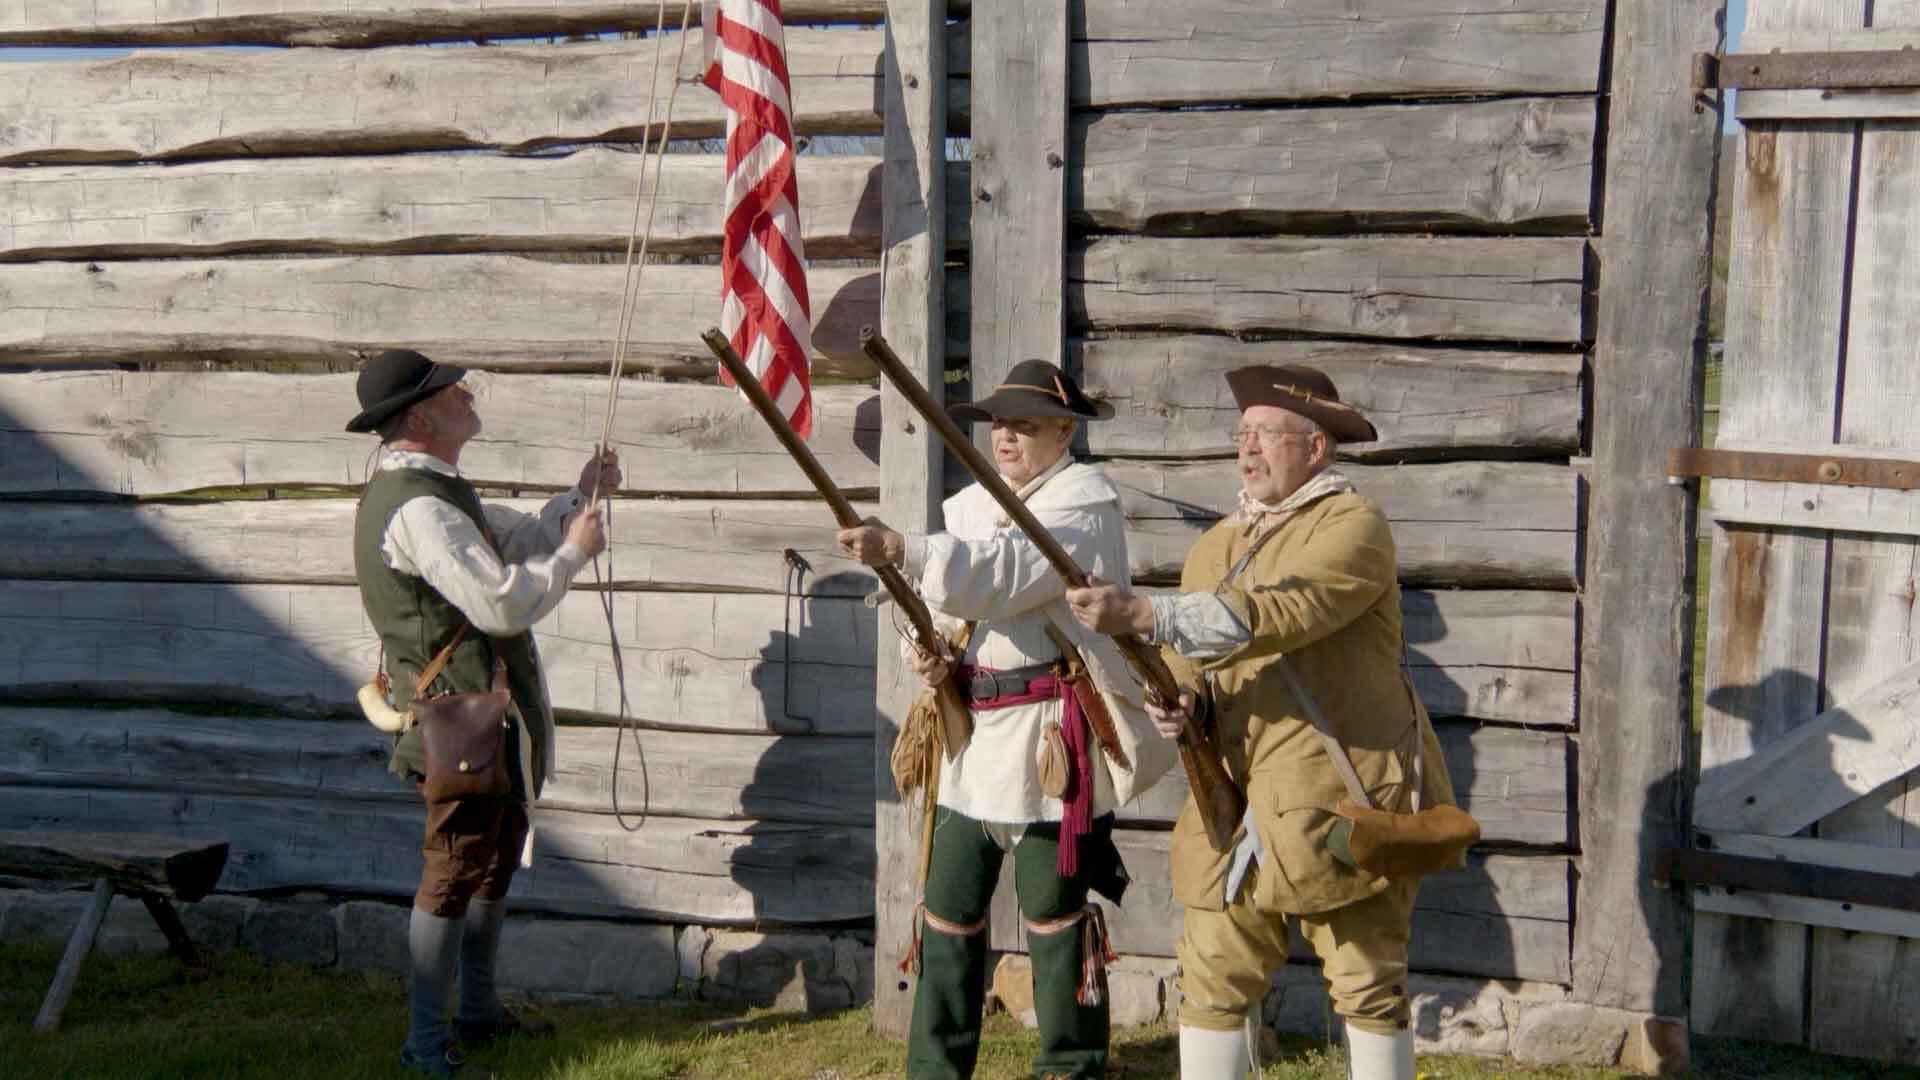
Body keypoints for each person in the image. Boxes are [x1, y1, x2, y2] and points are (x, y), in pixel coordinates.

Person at [1064, 365, 1457, 1080]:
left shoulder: (1353, 526)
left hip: (1342, 792)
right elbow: (1196, 665)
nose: (1247, 450)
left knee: (1367, 980)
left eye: (1266, 435)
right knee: (1211, 972)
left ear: (1316, 449)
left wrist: (1148, 615)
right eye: (1242, 435)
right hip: (1234, 800)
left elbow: (1285, 612)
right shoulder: (1215, 544)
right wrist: (1182, 703)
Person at [836, 360, 1171, 1080]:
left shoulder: (1084, 508)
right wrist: (921, 648)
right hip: (972, 737)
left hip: (1052, 736)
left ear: (1064, 431)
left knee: (1053, 913)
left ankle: (1070, 1066)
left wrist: (903, 547)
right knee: (949, 909)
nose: (1007, 437)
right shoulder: (970, 509)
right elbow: (941, 606)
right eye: (999, 423)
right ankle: (934, 1069)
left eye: (1025, 424)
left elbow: (1004, 576)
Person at [345, 349, 619, 1078]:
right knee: (452, 873)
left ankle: (477, 1012)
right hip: (455, 728)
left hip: (483, 723)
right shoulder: (419, 507)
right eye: (450, 390)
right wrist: (573, 556)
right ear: (420, 416)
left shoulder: (438, 491)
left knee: (492, 861)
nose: (467, 395)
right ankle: (426, 1045)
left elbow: (518, 538)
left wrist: (577, 498)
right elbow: (500, 600)